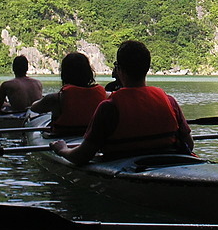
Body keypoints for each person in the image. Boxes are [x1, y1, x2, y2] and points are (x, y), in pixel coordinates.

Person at [51, 40, 194, 164]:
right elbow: (189, 144)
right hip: (168, 161)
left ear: (119, 70)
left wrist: (62, 150)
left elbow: (81, 156)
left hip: (123, 163)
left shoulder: (109, 107)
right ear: (147, 68)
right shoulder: (169, 101)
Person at [30, 52, 107, 135]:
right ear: (89, 72)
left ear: (64, 74)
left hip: (62, 138)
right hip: (91, 138)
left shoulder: (56, 98)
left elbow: (34, 108)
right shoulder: (103, 95)